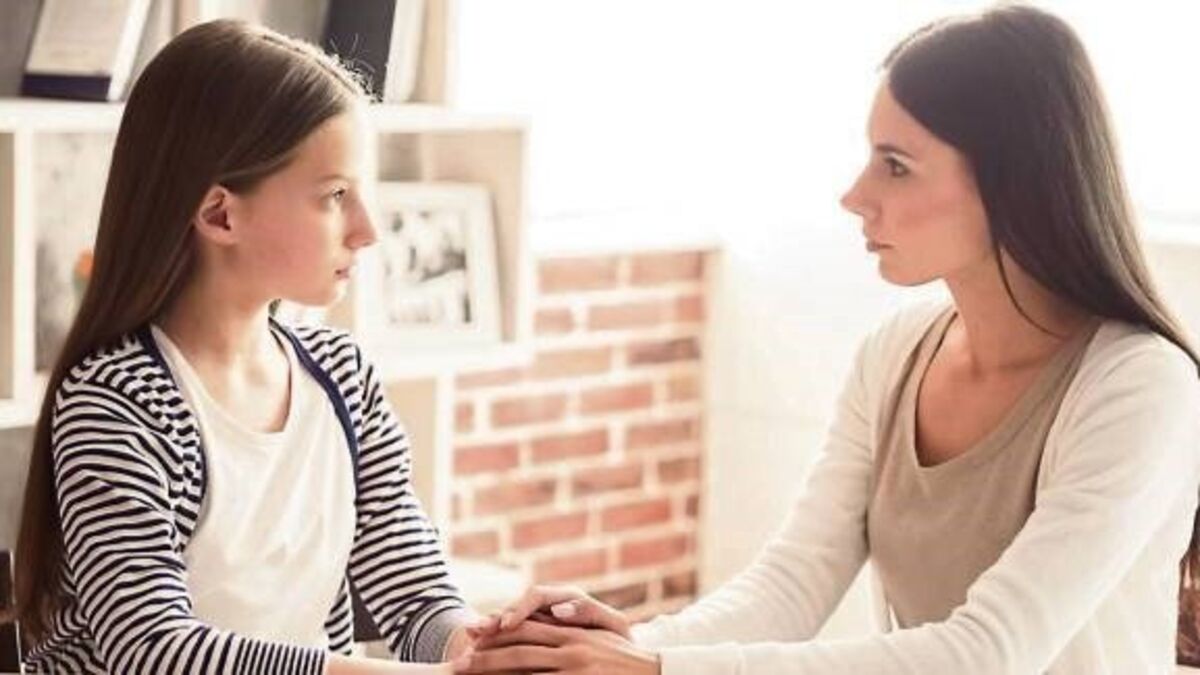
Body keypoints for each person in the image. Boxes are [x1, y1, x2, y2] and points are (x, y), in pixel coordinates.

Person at [454, 5, 1200, 674]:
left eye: (896, 166)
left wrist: (652, 669)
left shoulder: (1139, 385)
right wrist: (619, 644)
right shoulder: (896, 352)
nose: (855, 195)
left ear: (1014, 181)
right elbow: (790, 584)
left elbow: (987, 653)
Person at [11, 20, 476, 674]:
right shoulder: (117, 403)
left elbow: (413, 588)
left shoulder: (343, 379)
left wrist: (476, 648)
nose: (368, 230)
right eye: (335, 196)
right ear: (220, 215)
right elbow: (152, 649)